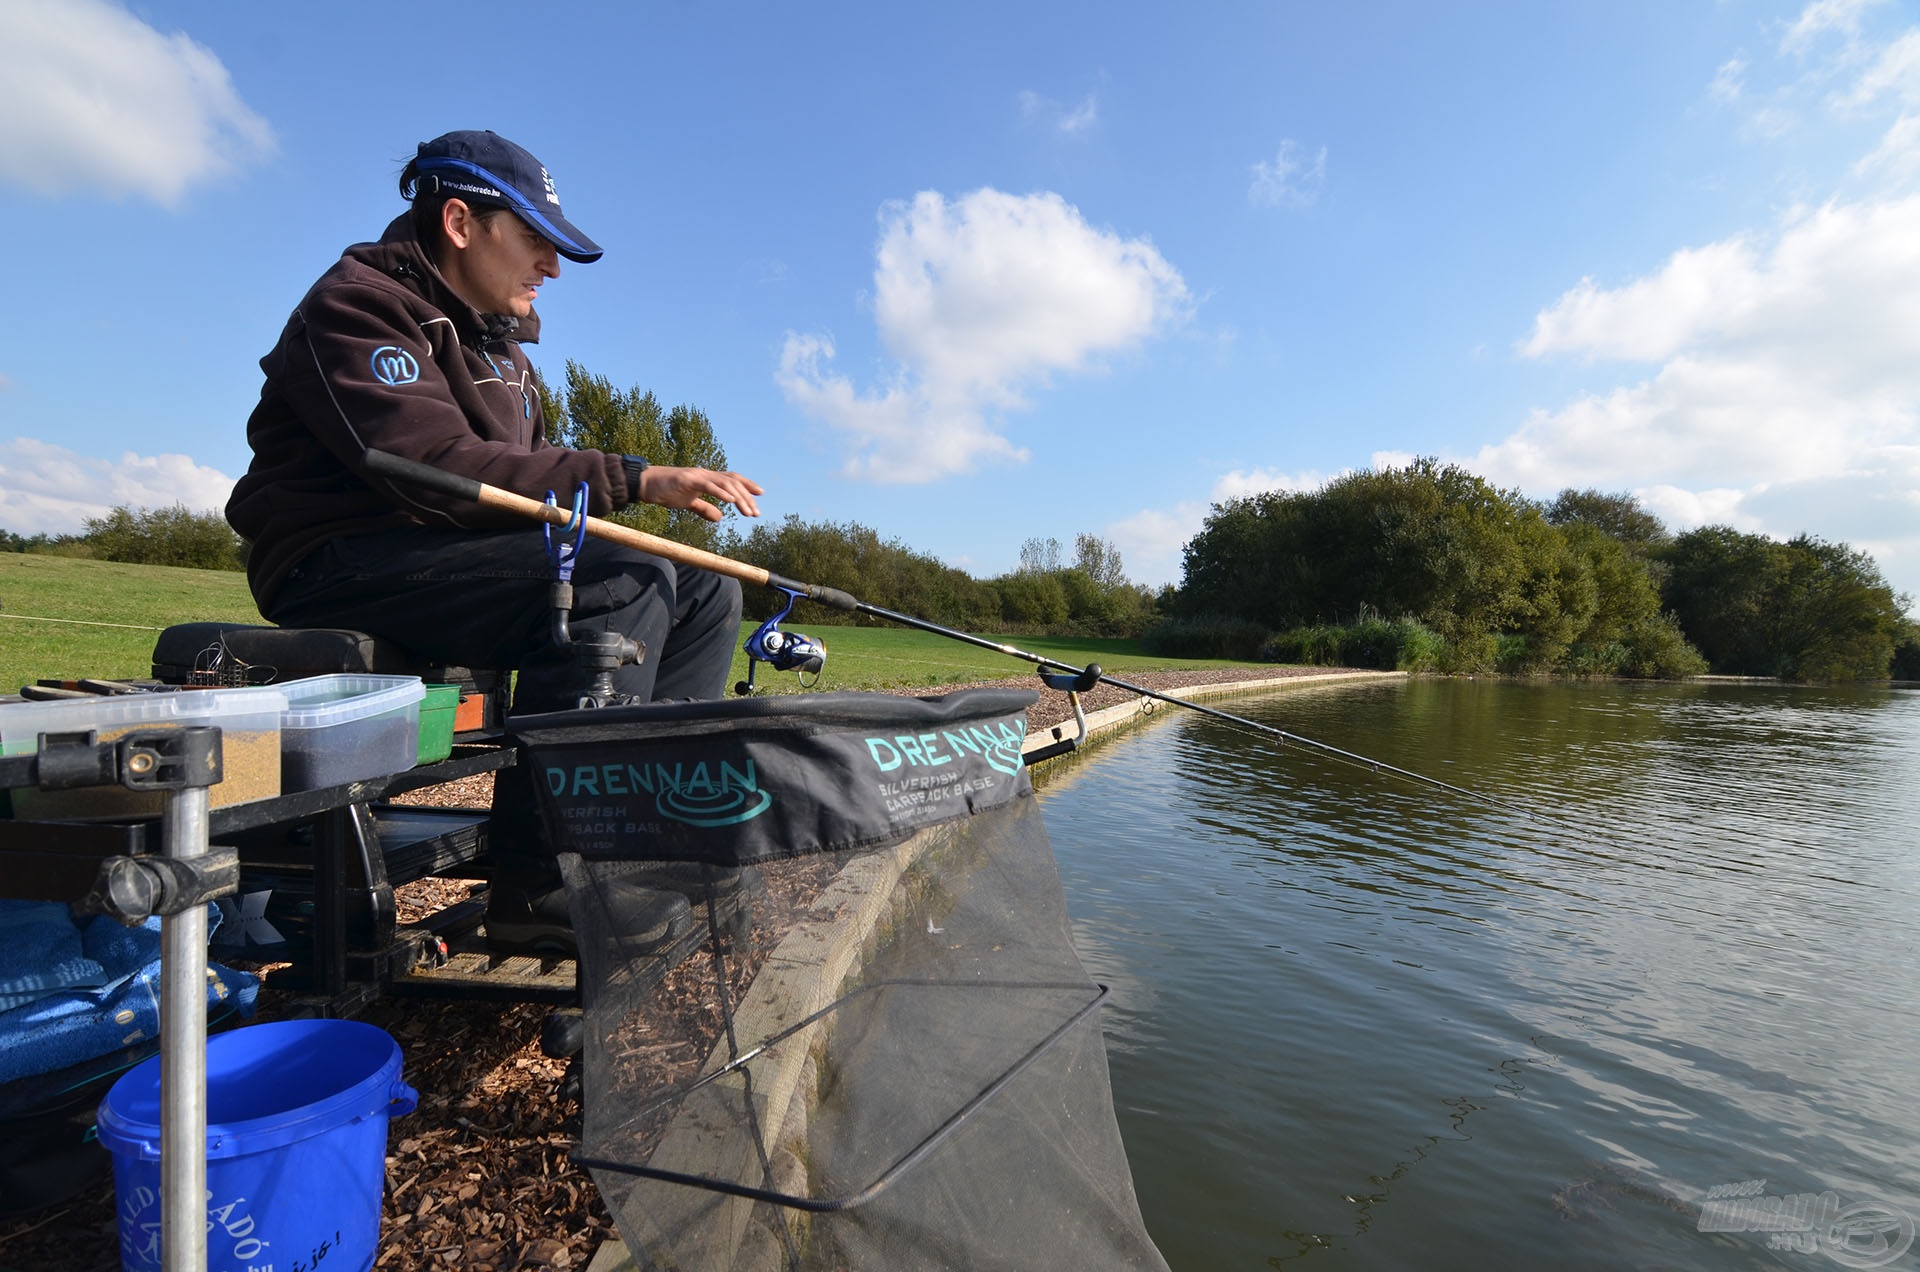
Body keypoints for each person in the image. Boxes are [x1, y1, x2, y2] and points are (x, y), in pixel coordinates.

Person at [226, 129, 763, 954]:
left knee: (703, 588)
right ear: (460, 221)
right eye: (538, 241)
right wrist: (635, 476)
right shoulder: (357, 305)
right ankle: (545, 884)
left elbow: (526, 474)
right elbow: (429, 469)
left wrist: (610, 497)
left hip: (447, 560)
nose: (550, 267)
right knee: (619, 578)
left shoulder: (507, 355)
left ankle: (651, 846)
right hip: (340, 558)